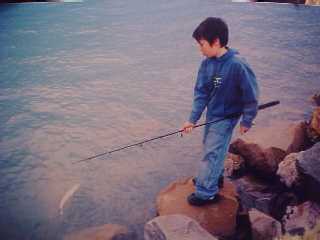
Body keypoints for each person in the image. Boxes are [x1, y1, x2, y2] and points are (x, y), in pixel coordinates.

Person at [182, 17, 259, 206]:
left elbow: (251, 95)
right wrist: (192, 119)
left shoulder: (237, 64)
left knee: (212, 151)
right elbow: (201, 93)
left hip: (227, 117)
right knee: (212, 147)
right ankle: (213, 178)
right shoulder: (206, 64)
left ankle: (206, 192)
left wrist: (247, 120)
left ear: (216, 41)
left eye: (202, 44)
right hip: (212, 115)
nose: (200, 49)